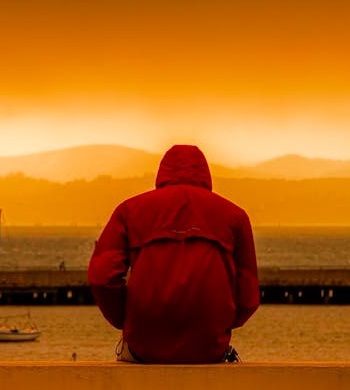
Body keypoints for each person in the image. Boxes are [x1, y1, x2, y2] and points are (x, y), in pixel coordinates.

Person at [88, 144, 259, 364]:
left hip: (144, 346)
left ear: (162, 173)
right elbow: (248, 295)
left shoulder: (129, 211)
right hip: (208, 348)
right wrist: (219, 323)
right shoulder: (235, 217)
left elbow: (102, 276)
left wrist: (127, 320)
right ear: (205, 175)